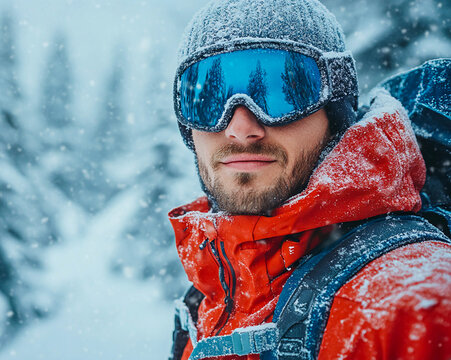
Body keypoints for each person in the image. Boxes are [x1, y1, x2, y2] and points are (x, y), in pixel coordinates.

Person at [168, 0, 451, 359]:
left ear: (336, 111)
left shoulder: (411, 307)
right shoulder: (209, 294)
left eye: (280, 91)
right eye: (208, 98)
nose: (240, 128)